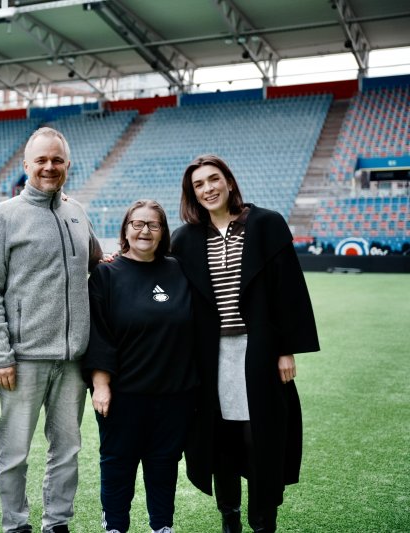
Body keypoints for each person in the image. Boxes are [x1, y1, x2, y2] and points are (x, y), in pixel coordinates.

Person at [170, 154, 320, 533]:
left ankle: (263, 520)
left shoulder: (266, 224)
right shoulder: (186, 238)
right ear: (192, 193)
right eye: (199, 185)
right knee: (221, 438)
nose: (208, 189)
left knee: (261, 438)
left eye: (213, 179)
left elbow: (289, 290)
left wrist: (285, 349)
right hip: (210, 355)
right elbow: (165, 282)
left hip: (259, 350)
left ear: (230, 182)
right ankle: (230, 518)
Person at [0, 126, 103, 533]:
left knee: (67, 449)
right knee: (14, 452)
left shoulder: (76, 211)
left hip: (73, 360)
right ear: (26, 165)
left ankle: (57, 523)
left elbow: (97, 265)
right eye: (41, 160)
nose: (49, 167)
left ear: (67, 165)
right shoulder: (4, 215)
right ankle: (15, 525)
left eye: (57, 160)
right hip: (23, 358)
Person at [83, 200, 198, 533]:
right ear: (125, 230)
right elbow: (98, 334)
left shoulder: (179, 270)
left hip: (175, 394)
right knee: (118, 465)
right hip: (123, 395)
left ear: (163, 232)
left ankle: (162, 527)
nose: (144, 231)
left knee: (164, 467)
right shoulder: (106, 274)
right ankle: (115, 526)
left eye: (153, 225)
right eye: (137, 224)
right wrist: (101, 385)